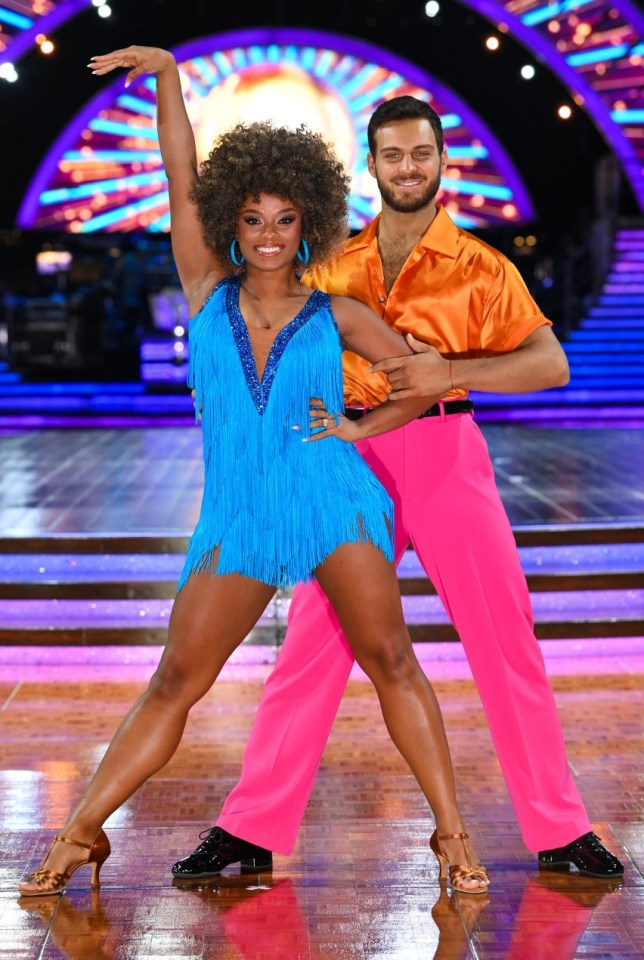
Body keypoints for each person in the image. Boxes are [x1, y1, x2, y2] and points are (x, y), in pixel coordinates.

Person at [18, 48, 489, 898]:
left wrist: (361, 424)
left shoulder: (338, 311)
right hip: (237, 517)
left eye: (282, 220)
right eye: (251, 220)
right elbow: (177, 167)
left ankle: (451, 836)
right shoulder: (203, 289)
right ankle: (80, 832)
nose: (268, 236)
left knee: (392, 661)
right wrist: (167, 76)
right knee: (175, 681)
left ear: (307, 220)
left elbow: (431, 379)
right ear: (227, 224)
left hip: (333, 503)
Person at [173, 96, 624, 881]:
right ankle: (250, 829)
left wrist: (450, 370)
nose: (407, 167)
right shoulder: (328, 264)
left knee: (503, 641)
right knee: (314, 644)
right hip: (345, 459)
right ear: (372, 165)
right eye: (392, 155)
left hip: (446, 452)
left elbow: (550, 365)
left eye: (421, 154)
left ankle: (559, 827)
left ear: (441, 161)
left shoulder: (483, 266)